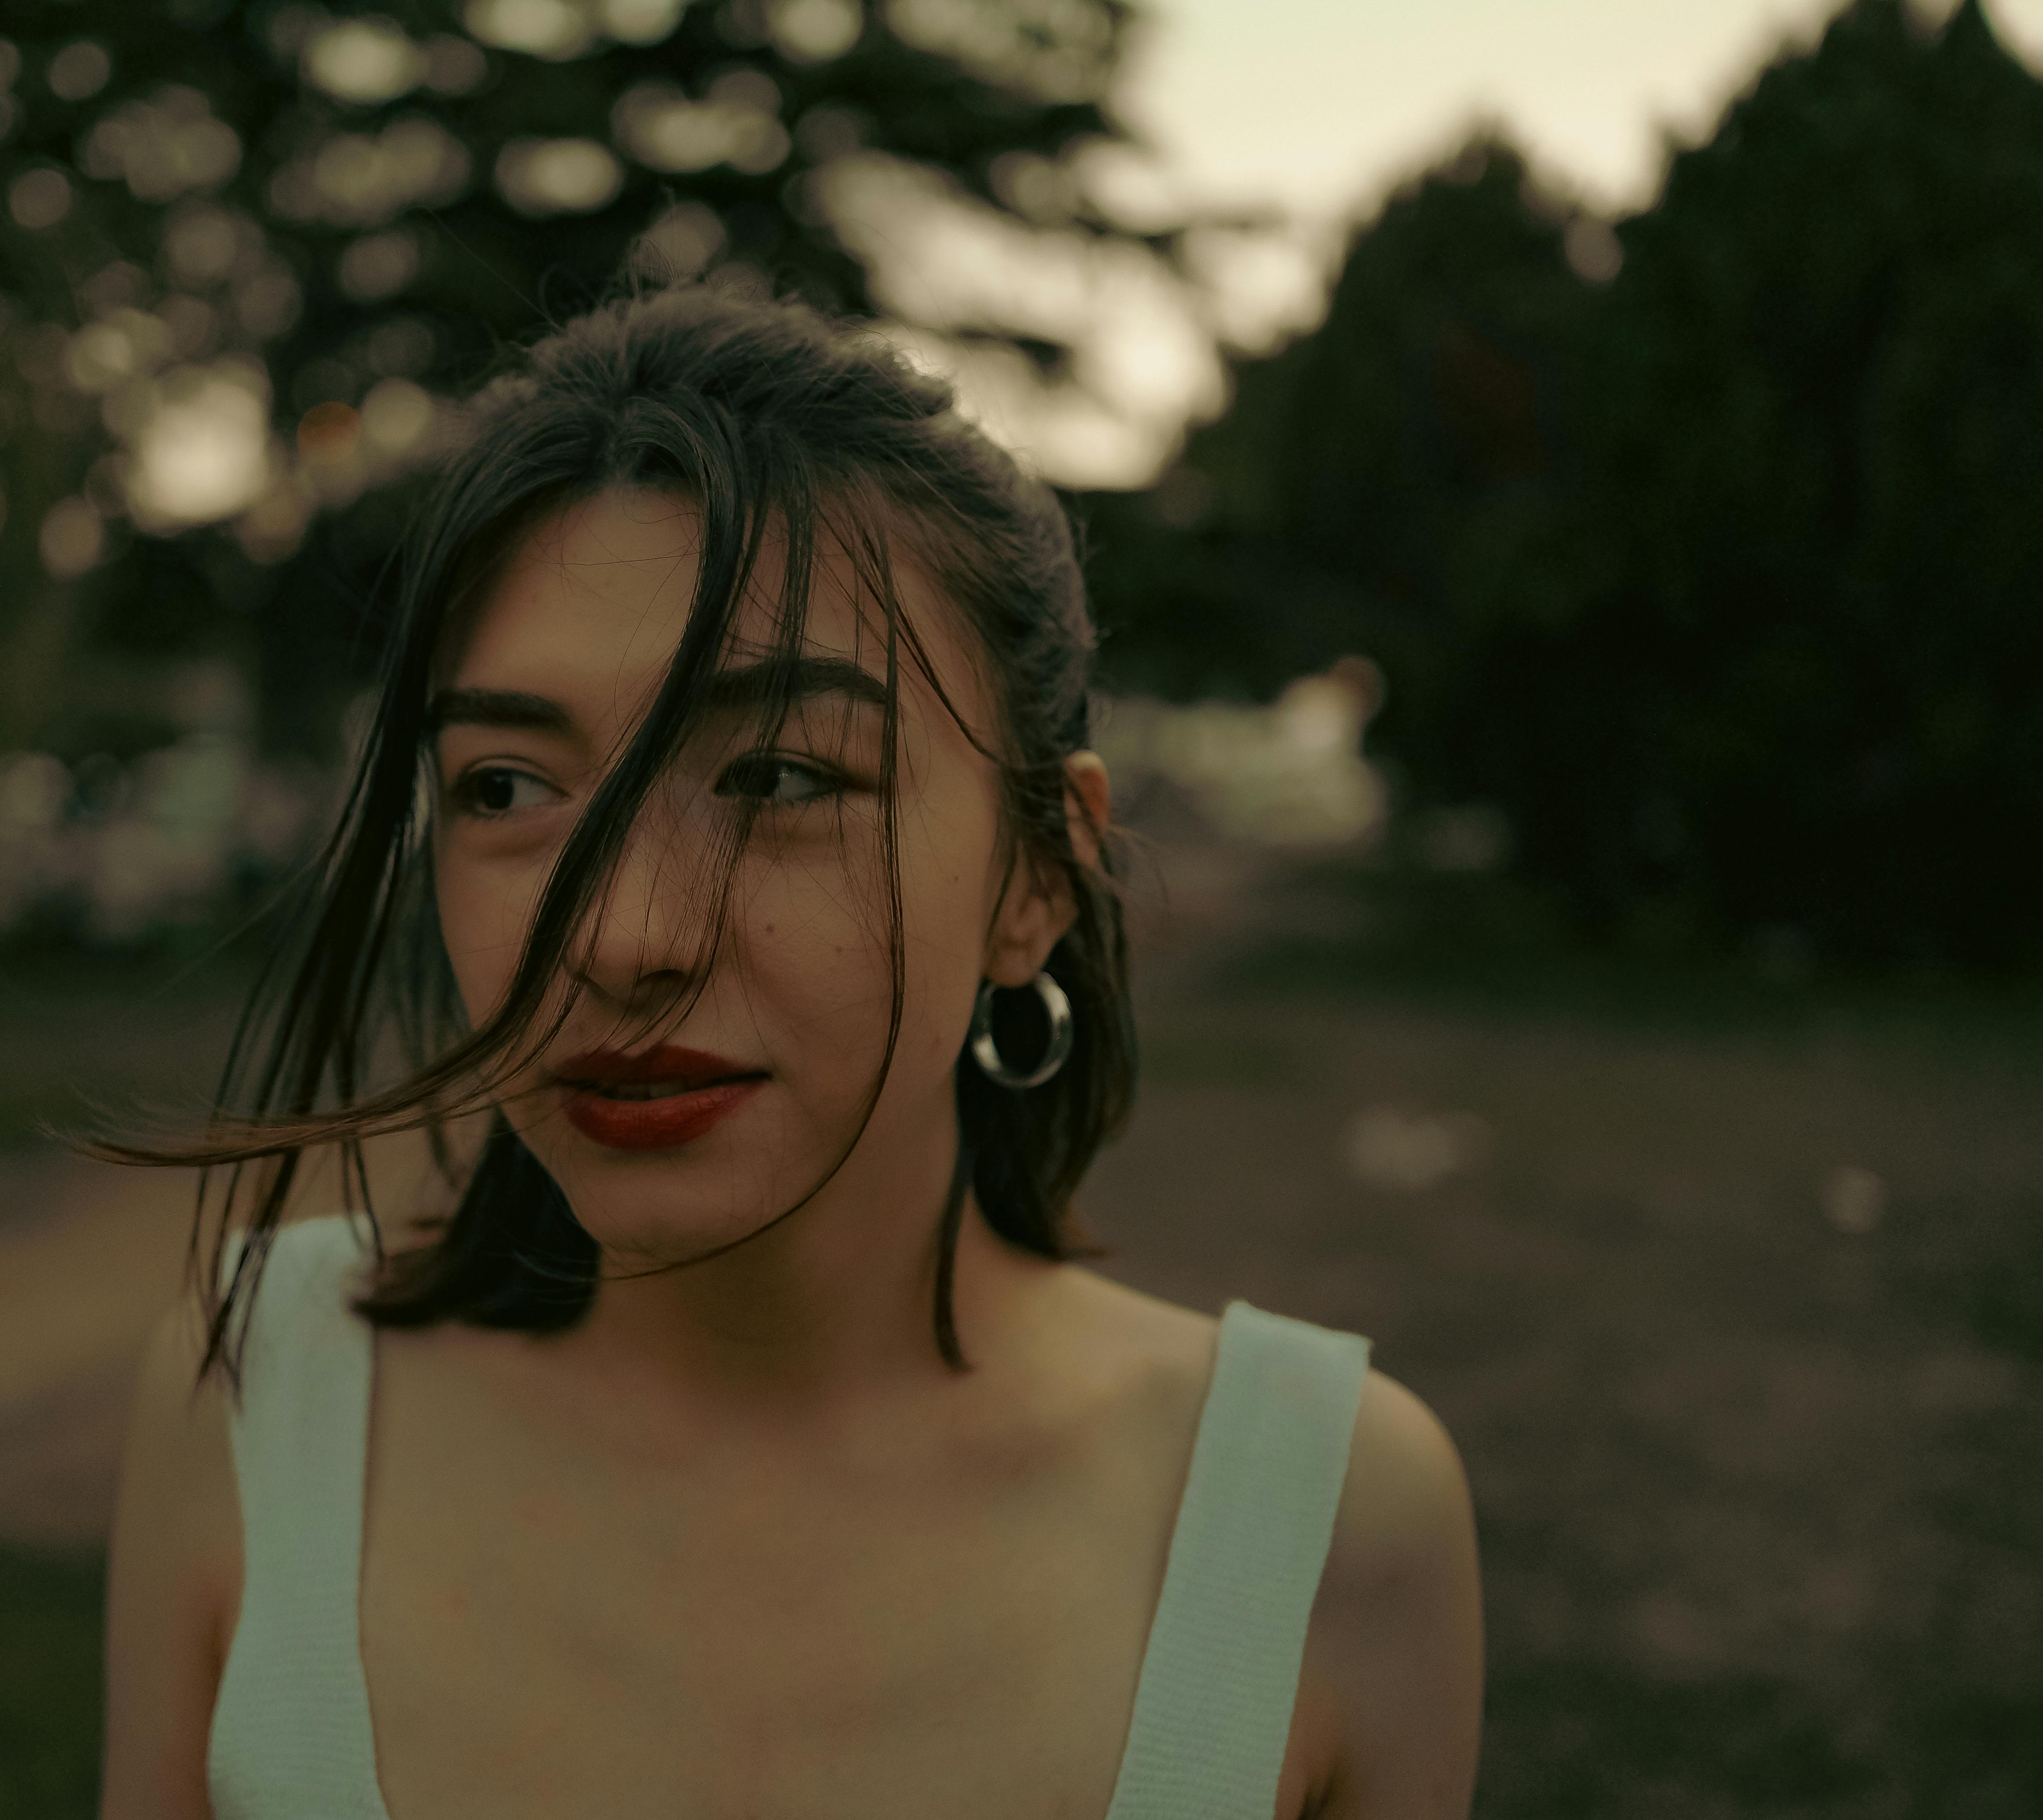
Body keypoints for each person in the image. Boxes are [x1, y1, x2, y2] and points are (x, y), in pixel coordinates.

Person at [98, 287, 1482, 1820]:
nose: (620, 935)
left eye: (776, 773)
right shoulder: (256, 1399)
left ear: (1035, 876)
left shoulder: (1320, 1519)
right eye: (504, 787)